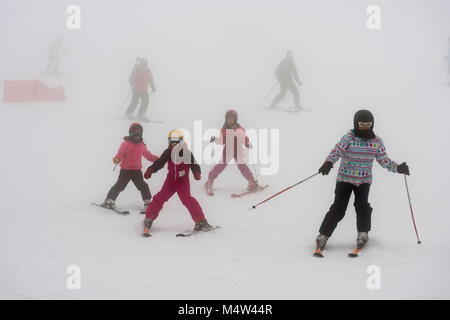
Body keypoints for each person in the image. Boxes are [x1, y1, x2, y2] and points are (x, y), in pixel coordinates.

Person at [314, 109, 410, 255]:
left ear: (372, 124)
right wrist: (328, 163)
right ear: (356, 124)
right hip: (345, 179)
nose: (365, 126)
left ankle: (363, 234)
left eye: (368, 124)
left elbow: (384, 161)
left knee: (362, 207)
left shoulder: (377, 142)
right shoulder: (349, 138)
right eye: (362, 124)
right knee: (338, 209)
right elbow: (336, 151)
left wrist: (398, 168)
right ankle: (323, 236)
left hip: (363, 181)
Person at [142, 129, 211, 235]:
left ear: (181, 141)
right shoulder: (168, 152)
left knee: (188, 200)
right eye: (172, 141)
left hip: (182, 182)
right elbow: (159, 163)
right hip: (170, 181)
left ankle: (201, 221)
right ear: (169, 142)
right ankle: (149, 218)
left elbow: (194, 164)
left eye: (176, 142)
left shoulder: (186, 153)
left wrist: (196, 172)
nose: (174, 144)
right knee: (159, 198)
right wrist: (150, 170)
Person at [102, 122, 158, 212]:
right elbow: (120, 154)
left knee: (143, 186)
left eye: (139, 133)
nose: (137, 135)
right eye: (135, 133)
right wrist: (117, 159)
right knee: (119, 185)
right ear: (130, 133)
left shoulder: (142, 145)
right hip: (125, 170)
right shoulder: (126, 143)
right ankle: (109, 200)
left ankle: (147, 202)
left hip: (136, 171)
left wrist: (157, 160)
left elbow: (148, 155)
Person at [204, 109, 258, 195]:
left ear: (235, 119)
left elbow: (243, 137)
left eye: (232, 118)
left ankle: (252, 181)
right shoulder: (224, 129)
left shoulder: (239, 129)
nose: (230, 120)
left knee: (242, 166)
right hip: (228, 150)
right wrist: (215, 139)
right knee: (220, 166)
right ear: (226, 119)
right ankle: (210, 180)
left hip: (238, 150)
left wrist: (246, 143)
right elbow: (221, 141)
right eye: (228, 118)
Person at [125, 58, 156, 122]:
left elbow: (151, 80)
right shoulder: (136, 70)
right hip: (136, 89)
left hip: (144, 90)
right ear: (140, 64)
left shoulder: (148, 72)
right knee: (135, 102)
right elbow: (130, 79)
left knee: (146, 101)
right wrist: (133, 82)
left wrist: (153, 86)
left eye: (145, 64)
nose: (144, 65)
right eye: (143, 64)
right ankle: (128, 113)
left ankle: (141, 114)